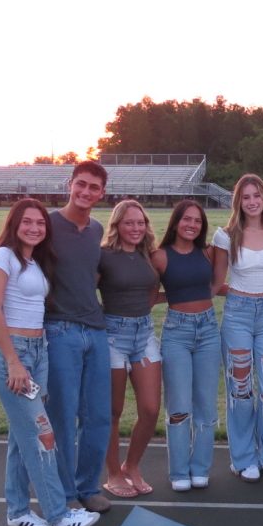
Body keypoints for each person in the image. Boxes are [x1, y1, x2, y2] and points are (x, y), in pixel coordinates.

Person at [0, 198, 100, 526]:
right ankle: (58, 515)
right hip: (15, 357)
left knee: (21, 437)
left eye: (40, 223)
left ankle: (17, 510)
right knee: (43, 434)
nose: (34, 228)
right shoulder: (4, 256)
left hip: (38, 351)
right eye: (27, 222)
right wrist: (13, 361)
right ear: (14, 224)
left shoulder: (33, 262)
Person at [44, 160, 113, 514]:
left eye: (94, 188)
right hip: (60, 331)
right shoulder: (49, 224)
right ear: (69, 184)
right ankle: (64, 491)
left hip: (95, 330)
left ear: (102, 193)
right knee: (63, 414)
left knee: (99, 415)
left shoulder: (96, 229)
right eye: (81, 185)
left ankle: (88, 486)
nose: (86, 192)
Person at [213, 174, 263, 482]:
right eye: (246, 197)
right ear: (238, 202)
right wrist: (244, 294)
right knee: (241, 389)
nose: (252, 201)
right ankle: (243, 458)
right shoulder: (225, 235)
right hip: (238, 315)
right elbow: (217, 284)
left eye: (257, 195)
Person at [151, 200, 221, 492]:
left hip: (208, 329)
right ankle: (179, 470)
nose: (192, 225)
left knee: (206, 404)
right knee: (179, 406)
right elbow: (146, 294)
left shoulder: (208, 253)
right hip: (176, 332)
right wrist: (176, 297)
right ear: (176, 222)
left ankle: (200, 467)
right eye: (186, 219)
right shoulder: (160, 256)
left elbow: (216, 286)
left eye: (197, 221)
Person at [97, 200, 162, 498]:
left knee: (150, 409)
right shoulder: (104, 256)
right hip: (112, 336)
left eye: (140, 223)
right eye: (129, 223)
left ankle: (131, 466)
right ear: (117, 226)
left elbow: (150, 291)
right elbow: (85, 290)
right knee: (113, 410)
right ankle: (112, 474)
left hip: (144, 334)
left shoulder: (148, 255)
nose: (135, 228)